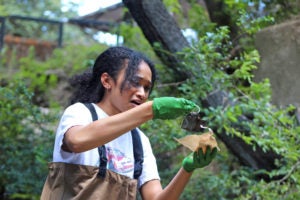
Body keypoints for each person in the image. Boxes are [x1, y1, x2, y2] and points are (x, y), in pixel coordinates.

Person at [41, 46, 217, 200]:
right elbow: (76, 141)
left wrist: (187, 168)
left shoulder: (139, 141)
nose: (142, 93)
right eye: (135, 82)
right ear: (107, 81)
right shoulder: (81, 113)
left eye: (147, 88)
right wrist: (150, 110)